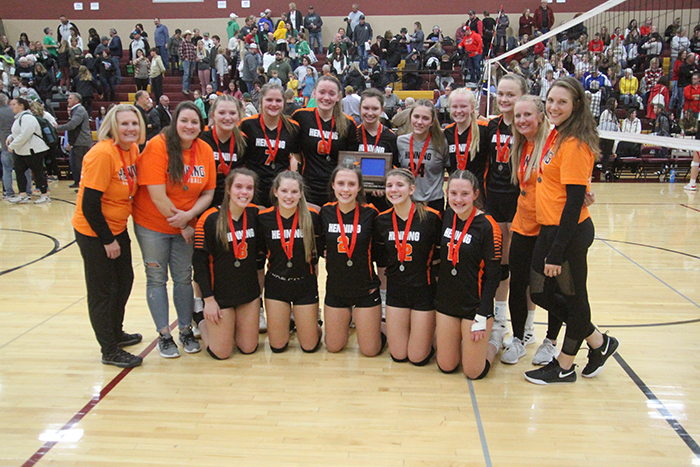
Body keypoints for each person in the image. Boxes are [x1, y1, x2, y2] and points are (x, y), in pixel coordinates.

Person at [524, 77, 620, 385]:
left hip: (569, 232)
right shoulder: (557, 134)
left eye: (562, 102)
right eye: (550, 100)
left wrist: (556, 251)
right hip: (550, 227)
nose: (553, 107)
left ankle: (564, 366)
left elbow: (574, 201)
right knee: (539, 292)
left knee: (575, 299)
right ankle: (598, 341)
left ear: (576, 105)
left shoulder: (575, 143)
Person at [132, 101, 216, 358]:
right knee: (157, 278)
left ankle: (185, 330)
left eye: (194, 122)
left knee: (183, 278)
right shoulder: (158, 146)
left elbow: (209, 192)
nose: (189, 126)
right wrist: (183, 225)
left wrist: (189, 218)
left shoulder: (204, 149)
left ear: (201, 125)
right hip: (152, 225)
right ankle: (164, 335)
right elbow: (157, 196)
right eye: (184, 121)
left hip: (186, 225)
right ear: (175, 122)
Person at [72, 104, 145, 368]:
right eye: (124, 124)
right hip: (94, 232)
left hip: (117, 227)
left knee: (124, 281)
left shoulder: (132, 149)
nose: (130, 128)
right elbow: (89, 205)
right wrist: (107, 240)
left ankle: (116, 332)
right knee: (101, 291)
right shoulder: (102, 154)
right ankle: (109, 349)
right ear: (112, 126)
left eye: (134, 123)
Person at [500, 95, 562, 365]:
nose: (522, 120)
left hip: (548, 227)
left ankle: (551, 341)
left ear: (540, 116)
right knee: (518, 283)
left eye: (527, 115)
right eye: (518, 116)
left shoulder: (554, 145)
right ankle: (518, 338)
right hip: (523, 225)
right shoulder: (520, 146)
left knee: (548, 288)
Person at [434, 170, 501, 377]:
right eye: (453, 193)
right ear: (447, 193)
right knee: (446, 365)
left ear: (475, 194)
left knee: (473, 372)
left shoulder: (488, 226)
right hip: (447, 303)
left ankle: (494, 341)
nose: (458, 199)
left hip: (475, 306)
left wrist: (482, 313)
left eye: (465, 194)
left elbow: (494, 277)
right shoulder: (446, 217)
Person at [373, 168, 441, 364]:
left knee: (417, 357)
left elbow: (439, 257)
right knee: (398, 355)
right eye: (389, 186)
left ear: (411, 189)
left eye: (399, 185)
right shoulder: (382, 220)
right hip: (396, 291)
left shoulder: (431, 217)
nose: (394, 190)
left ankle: (432, 336)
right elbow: (381, 257)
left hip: (424, 291)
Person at [193, 168, 262, 359]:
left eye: (249, 188)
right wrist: (208, 300)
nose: (244, 192)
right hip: (219, 296)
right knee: (221, 352)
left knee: (248, 348)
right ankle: (199, 318)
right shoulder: (209, 219)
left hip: (248, 294)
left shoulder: (255, 215)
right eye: (238, 187)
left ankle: (229, 327)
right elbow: (199, 264)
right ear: (228, 188)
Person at [319, 164, 384, 356]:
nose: (345, 189)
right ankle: (347, 324)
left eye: (351, 184)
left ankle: (381, 329)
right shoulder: (325, 212)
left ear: (360, 187)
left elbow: (380, 256)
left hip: (365, 289)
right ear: (333, 185)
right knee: (333, 347)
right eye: (340, 183)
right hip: (336, 289)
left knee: (370, 351)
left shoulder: (371, 213)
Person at [485, 73, 529, 345]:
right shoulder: (491, 126)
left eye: (510, 94)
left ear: (522, 96)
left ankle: (527, 328)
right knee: (499, 264)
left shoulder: (528, 127)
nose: (503, 99)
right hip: (495, 200)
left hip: (521, 201)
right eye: (500, 93)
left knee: (521, 268)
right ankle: (500, 319)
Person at [257, 171, 322, 353]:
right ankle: (291, 322)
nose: (289, 196)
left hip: (305, 285)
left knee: (309, 346)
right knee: (278, 347)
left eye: (294, 192)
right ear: (275, 191)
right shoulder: (264, 218)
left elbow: (317, 255)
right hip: (277, 284)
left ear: (301, 193)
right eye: (284, 191)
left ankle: (311, 324)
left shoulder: (312, 217)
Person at [291, 75, 358, 206]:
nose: (326, 98)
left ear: (338, 96)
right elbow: (295, 152)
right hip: (307, 188)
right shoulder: (301, 116)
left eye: (331, 94)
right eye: (322, 92)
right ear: (314, 93)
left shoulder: (348, 123)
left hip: (337, 191)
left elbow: (351, 160)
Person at [240, 84, 301, 207]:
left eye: (278, 100)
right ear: (261, 101)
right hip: (254, 187)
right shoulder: (247, 125)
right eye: (269, 100)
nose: (274, 104)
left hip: (280, 188)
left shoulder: (293, 127)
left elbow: (297, 155)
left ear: (284, 103)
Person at [5, 97, 50, 204]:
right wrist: (11, 137)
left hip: (33, 150)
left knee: (38, 173)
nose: (12, 107)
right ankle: (23, 195)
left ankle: (45, 195)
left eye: (14, 104)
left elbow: (25, 134)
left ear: (21, 105)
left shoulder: (28, 117)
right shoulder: (18, 118)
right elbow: (17, 132)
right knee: (19, 172)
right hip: (22, 151)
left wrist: (12, 146)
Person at [443, 88, 489, 187]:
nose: (458, 111)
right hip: (455, 190)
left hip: (478, 191)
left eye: (463, 106)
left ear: (472, 108)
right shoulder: (447, 132)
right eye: (454, 107)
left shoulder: (484, 130)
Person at [57, 92, 92, 188]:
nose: (68, 100)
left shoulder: (79, 110)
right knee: (74, 164)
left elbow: (72, 125)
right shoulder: (76, 110)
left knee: (79, 165)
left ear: (76, 100)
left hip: (81, 142)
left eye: (70, 98)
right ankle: (78, 183)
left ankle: (83, 185)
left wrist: (57, 127)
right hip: (76, 141)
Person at [179, 30, 196, 95]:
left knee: (190, 75)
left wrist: (193, 59)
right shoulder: (183, 43)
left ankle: (188, 88)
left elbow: (193, 52)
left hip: (191, 60)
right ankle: (185, 88)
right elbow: (180, 52)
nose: (190, 36)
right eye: (189, 35)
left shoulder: (191, 43)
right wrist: (184, 58)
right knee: (186, 74)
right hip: (186, 60)